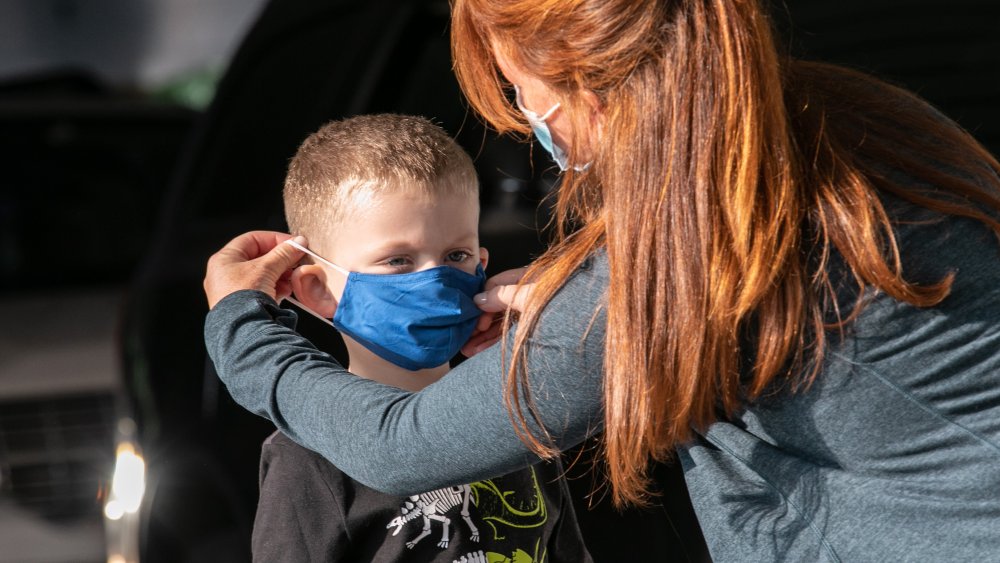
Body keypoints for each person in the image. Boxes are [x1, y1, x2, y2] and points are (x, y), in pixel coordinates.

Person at [203, 0, 1000, 560]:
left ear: (582, 84)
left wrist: (240, 324)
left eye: (518, 89)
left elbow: (401, 444)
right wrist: (575, 290)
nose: (524, 115)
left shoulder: (691, 249)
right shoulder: (839, 120)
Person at [248, 114, 591, 562]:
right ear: (317, 289)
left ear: (481, 264)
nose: (436, 279)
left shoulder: (510, 413)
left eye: (456, 255)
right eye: (398, 260)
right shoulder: (307, 458)